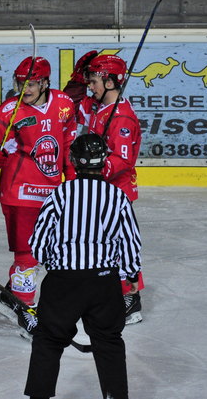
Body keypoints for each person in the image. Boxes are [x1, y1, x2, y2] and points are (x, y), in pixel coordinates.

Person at [24, 133, 142, 399]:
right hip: (103, 282)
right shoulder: (117, 196)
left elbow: (39, 243)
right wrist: (131, 273)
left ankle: (39, 397)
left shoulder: (60, 195)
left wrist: (55, 265)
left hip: (63, 283)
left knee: (48, 340)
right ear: (104, 162)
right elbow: (130, 241)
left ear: (74, 160)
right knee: (109, 341)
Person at [0, 56, 77, 337]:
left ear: (45, 82)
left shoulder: (64, 104)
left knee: (47, 254)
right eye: (21, 83)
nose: (25, 89)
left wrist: (73, 180)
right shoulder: (10, 109)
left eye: (31, 83)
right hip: (20, 191)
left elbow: (67, 143)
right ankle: (27, 312)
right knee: (27, 256)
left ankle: (10, 298)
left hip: (53, 191)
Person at [79, 53, 145, 324]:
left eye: (94, 81)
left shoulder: (122, 118)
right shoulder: (99, 108)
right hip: (102, 191)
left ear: (110, 82)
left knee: (121, 246)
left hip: (116, 193)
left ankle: (131, 298)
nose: (90, 86)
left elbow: (123, 159)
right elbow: (77, 104)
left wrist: (94, 170)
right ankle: (108, 293)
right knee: (103, 246)